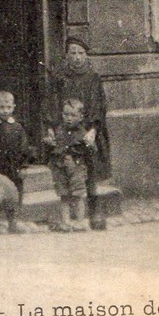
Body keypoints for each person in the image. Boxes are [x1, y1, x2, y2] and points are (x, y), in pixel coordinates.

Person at [46, 35, 111, 229]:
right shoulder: (59, 77)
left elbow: (99, 105)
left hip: (87, 131)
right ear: (66, 55)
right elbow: (51, 103)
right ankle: (68, 218)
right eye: (72, 53)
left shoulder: (93, 78)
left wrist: (93, 130)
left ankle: (94, 213)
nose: (77, 57)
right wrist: (51, 126)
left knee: (89, 171)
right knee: (66, 171)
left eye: (80, 53)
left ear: (86, 55)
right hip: (65, 133)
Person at [43, 97, 92, 232]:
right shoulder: (59, 129)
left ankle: (80, 221)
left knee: (78, 194)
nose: (69, 118)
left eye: (73, 115)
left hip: (76, 168)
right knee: (64, 195)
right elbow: (54, 145)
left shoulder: (82, 133)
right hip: (60, 167)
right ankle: (66, 222)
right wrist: (50, 142)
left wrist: (89, 144)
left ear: (80, 117)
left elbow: (89, 150)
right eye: (66, 114)